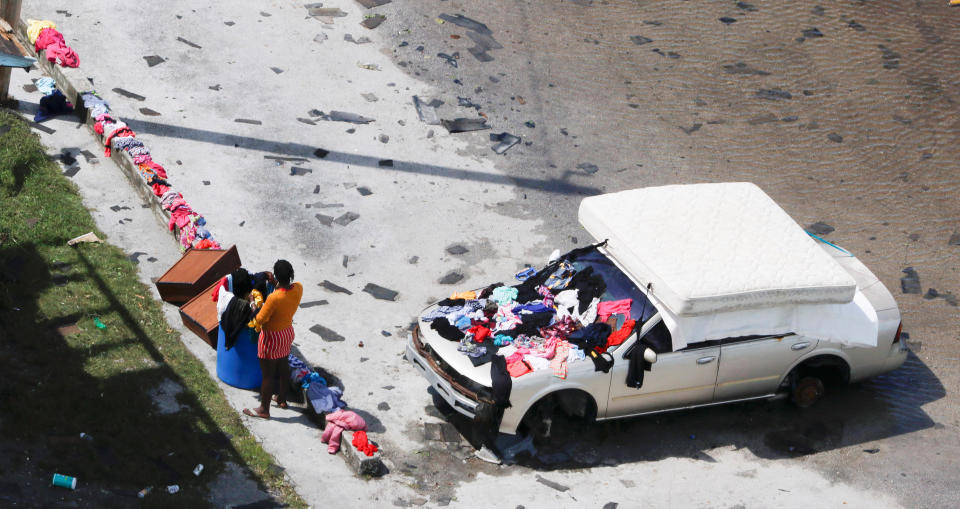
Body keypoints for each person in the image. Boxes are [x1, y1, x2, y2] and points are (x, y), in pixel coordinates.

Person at [243, 259, 303, 419]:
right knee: (283, 365)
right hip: (287, 333)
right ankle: (282, 398)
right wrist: (276, 282)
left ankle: (264, 409)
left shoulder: (274, 298)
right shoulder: (298, 288)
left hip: (271, 337)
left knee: (267, 375)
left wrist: (252, 304)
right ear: (291, 275)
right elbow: (285, 293)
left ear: (276, 276)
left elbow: (260, 319)